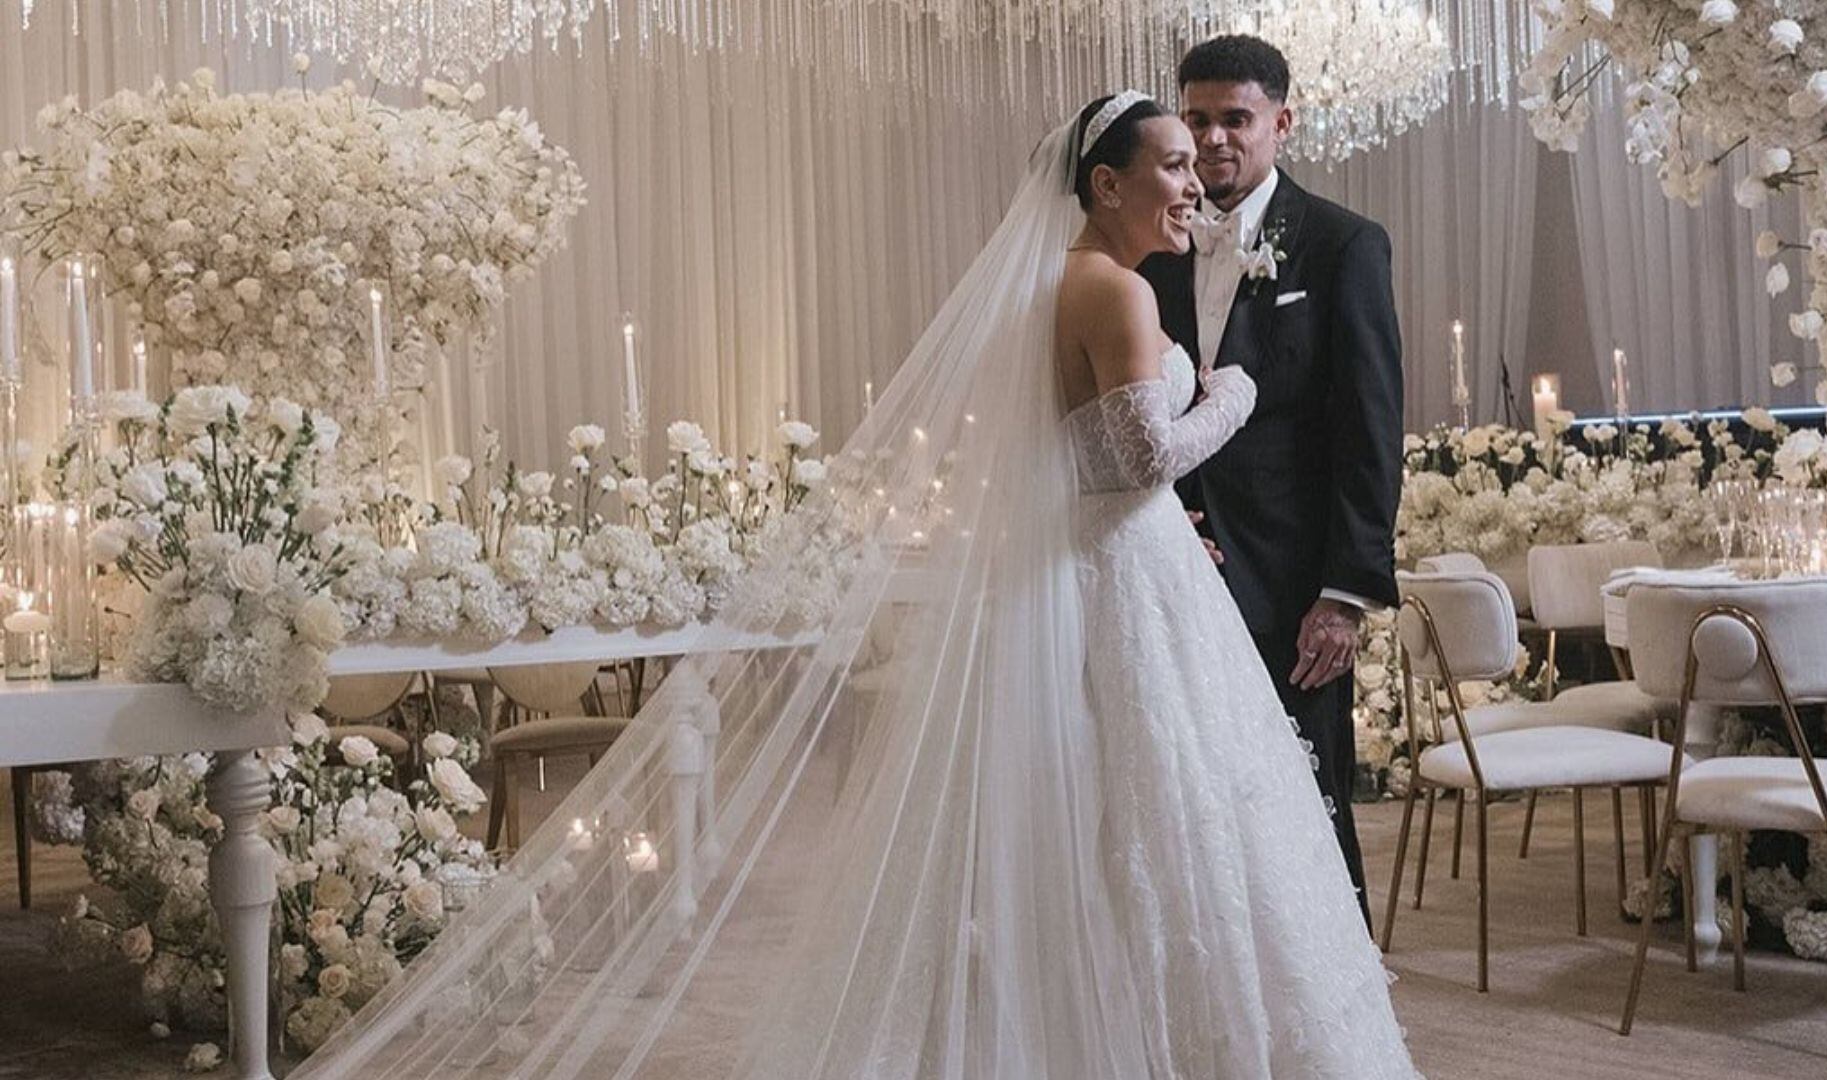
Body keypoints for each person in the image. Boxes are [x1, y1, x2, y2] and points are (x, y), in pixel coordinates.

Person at [291, 93, 1417, 1080]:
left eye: (1196, 159)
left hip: (1120, 578)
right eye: (1171, 165)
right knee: (1172, 816)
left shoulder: (1071, 281)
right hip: (1126, 584)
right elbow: (1134, 463)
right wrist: (1235, 396)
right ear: (1106, 183)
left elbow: (1082, 462)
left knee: (1135, 818)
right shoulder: (1114, 292)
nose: (1193, 183)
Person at [1140, 36, 1406, 925]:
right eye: (1198, 119)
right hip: (1173, 573)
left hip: (1295, 586)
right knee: (1193, 796)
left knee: (1303, 790)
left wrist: (1346, 594)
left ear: (1281, 124)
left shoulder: (1343, 246)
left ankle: (1337, 995)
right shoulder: (1152, 248)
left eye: (1235, 119)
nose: (1214, 139)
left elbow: (1369, 431)